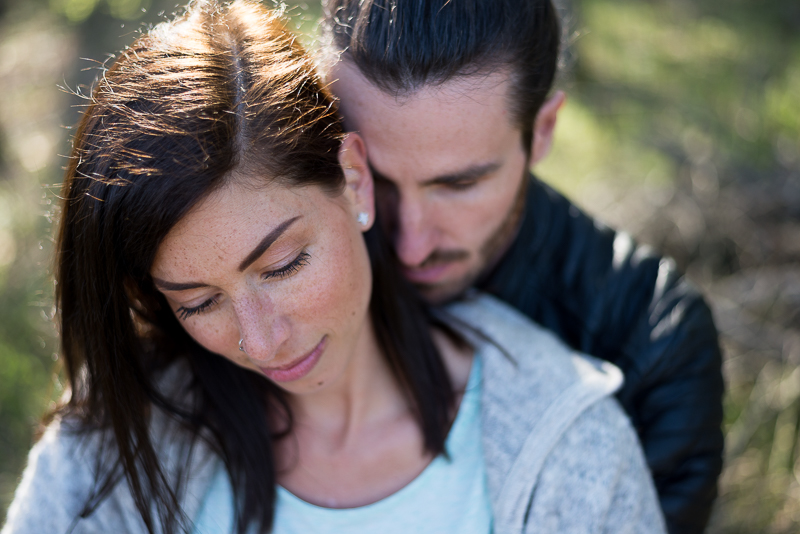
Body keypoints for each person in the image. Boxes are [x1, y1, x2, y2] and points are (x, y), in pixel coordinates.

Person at [2, 1, 664, 533]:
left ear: (354, 179)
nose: (260, 341)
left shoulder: (570, 445)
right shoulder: (107, 445)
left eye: (285, 265)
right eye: (199, 302)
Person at [320, 1, 725, 532]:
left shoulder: (653, 340)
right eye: (371, 177)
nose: (410, 245)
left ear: (543, 130)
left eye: (459, 185)